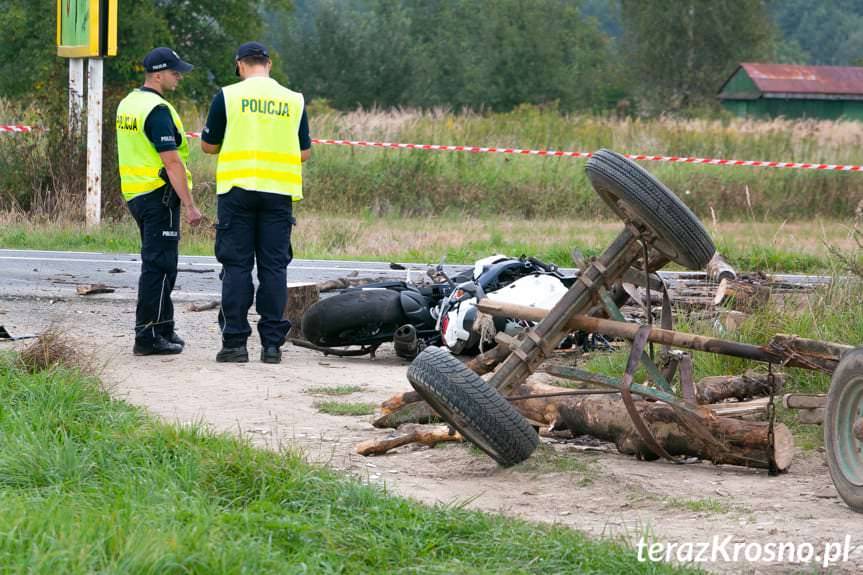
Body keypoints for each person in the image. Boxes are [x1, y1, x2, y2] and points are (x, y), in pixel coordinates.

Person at [201, 41, 311, 364]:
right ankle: (272, 346)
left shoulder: (228, 96)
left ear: (239, 65)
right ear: (269, 64)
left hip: (237, 192)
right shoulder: (293, 100)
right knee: (274, 268)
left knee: (236, 267)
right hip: (278, 192)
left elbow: (208, 145)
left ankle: (234, 343)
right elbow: (304, 151)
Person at [116, 47, 203, 356]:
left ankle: (164, 326)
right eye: (174, 71)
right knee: (160, 267)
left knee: (161, 263)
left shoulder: (130, 103)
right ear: (157, 74)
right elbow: (172, 162)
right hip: (159, 194)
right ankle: (148, 336)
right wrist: (190, 205)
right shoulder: (157, 109)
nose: (179, 75)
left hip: (136, 193)